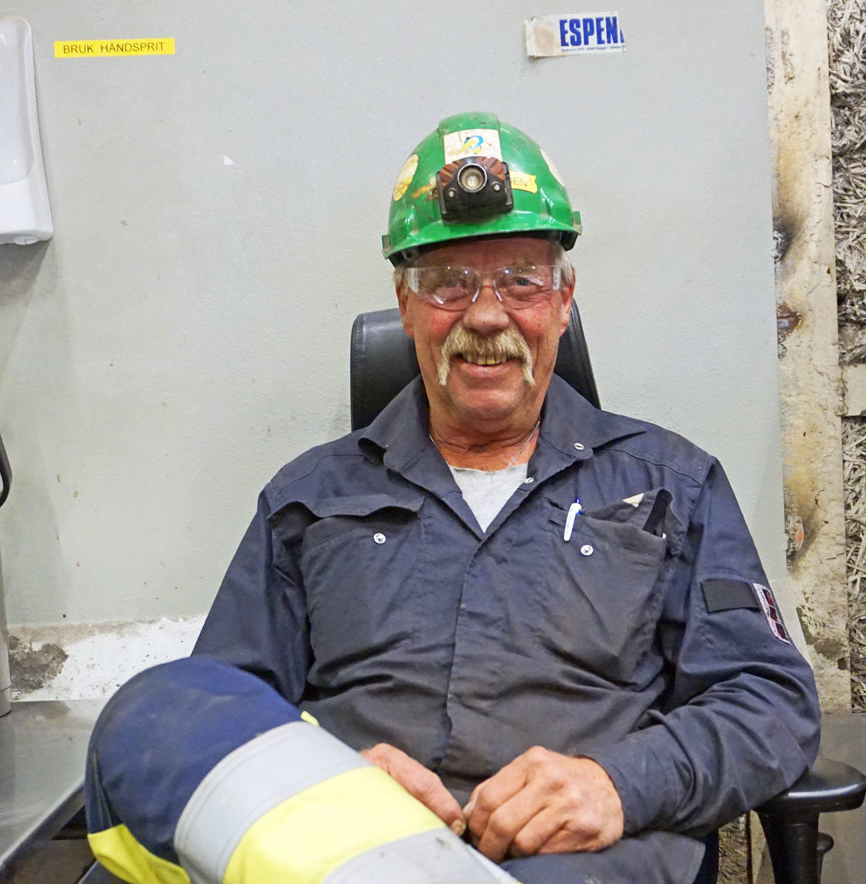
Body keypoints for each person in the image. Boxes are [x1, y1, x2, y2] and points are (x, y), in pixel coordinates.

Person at [85, 112, 820, 884]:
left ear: (564, 301)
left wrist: (617, 784)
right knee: (154, 708)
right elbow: (226, 714)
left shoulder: (669, 485)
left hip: (579, 862)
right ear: (405, 308)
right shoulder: (308, 500)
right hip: (346, 853)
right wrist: (325, 776)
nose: (486, 315)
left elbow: (770, 699)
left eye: (520, 281)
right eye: (448, 284)